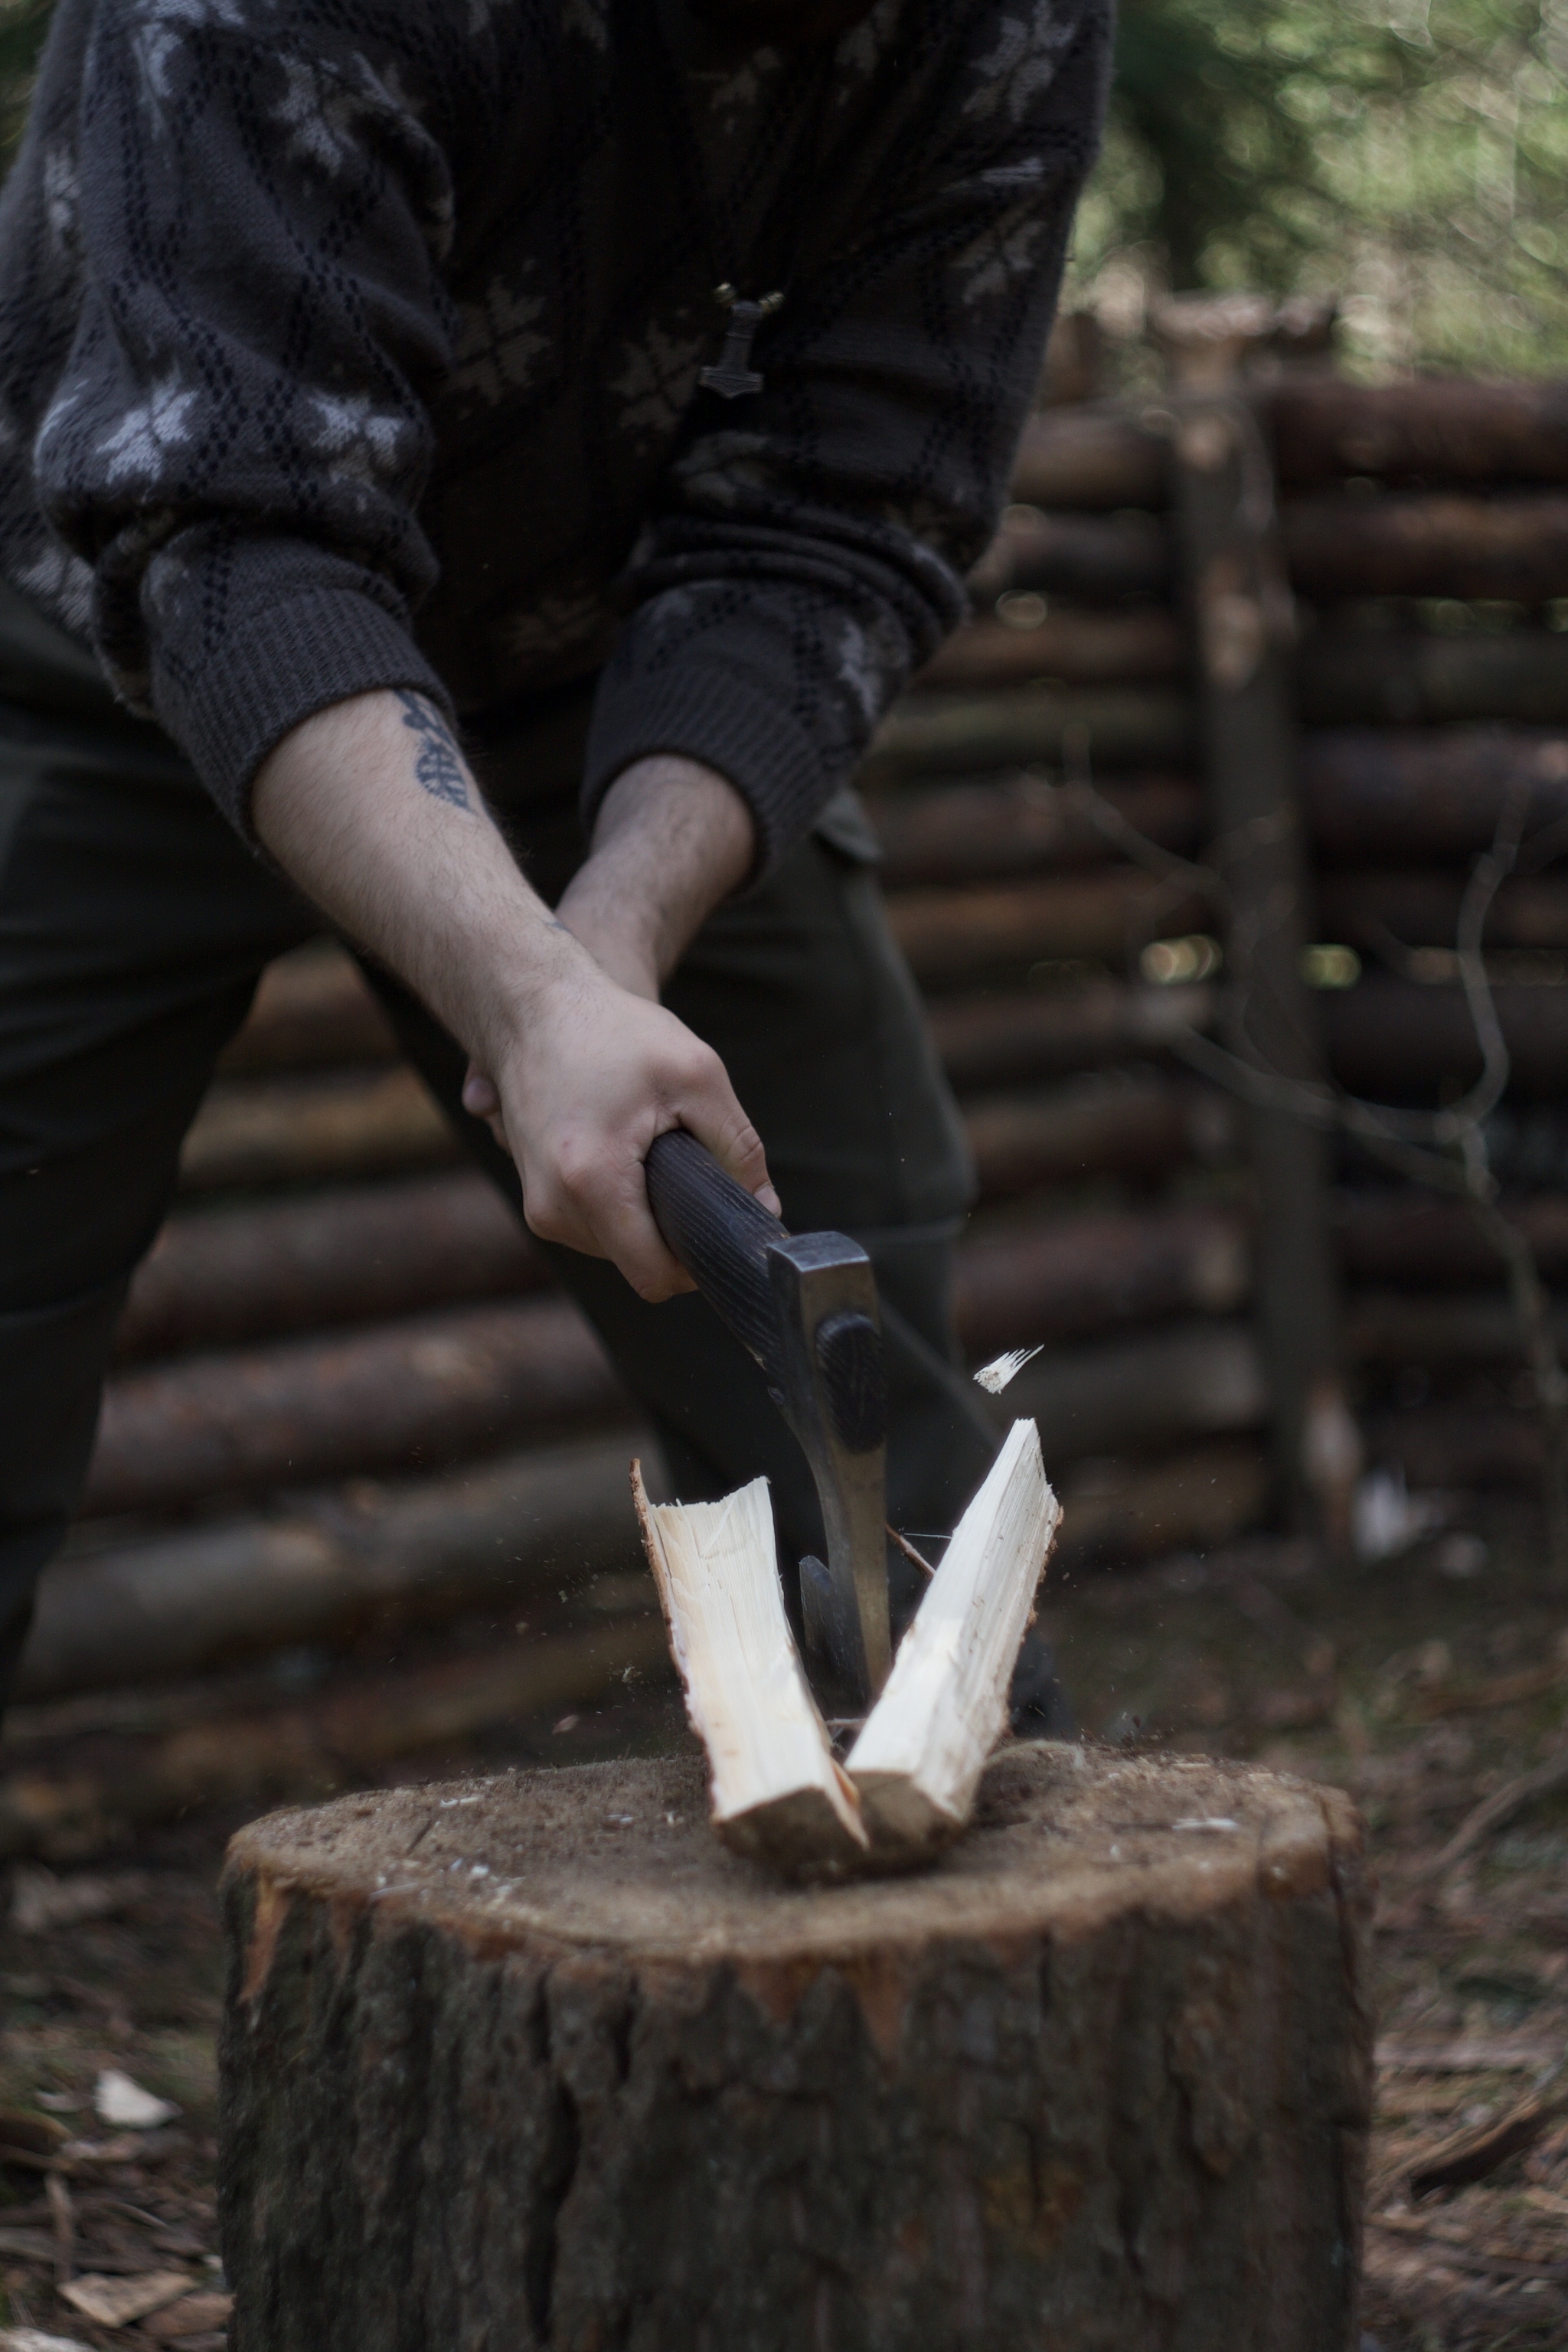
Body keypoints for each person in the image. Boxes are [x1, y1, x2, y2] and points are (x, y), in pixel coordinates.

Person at [0, 0, 1110, 1716]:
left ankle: (913, 1883)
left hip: (617, 660)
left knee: (867, 1389)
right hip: (112, 617)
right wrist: (525, 1002)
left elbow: (850, 509)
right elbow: (233, 525)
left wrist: (613, 923)